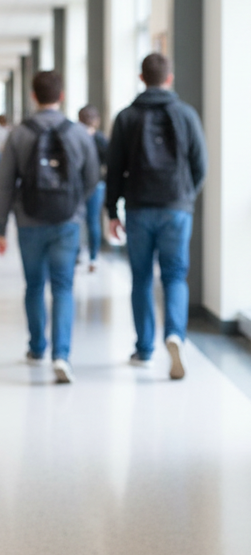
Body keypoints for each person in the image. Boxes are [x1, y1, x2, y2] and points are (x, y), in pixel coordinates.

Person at [0, 71, 99, 384]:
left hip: (29, 220)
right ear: (61, 96)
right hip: (67, 221)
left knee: (35, 285)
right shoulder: (78, 133)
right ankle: (61, 355)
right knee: (63, 286)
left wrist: (1, 226)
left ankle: (37, 347)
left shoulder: (19, 134)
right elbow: (92, 177)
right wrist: (75, 205)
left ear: (33, 96)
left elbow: (4, 184)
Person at [106, 53, 207, 380]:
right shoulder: (186, 114)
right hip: (176, 207)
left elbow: (114, 168)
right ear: (169, 78)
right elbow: (200, 164)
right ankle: (175, 334)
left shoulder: (126, 117)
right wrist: (186, 196)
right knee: (175, 275)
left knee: (141, 277)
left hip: (138, 207)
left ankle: (144, 349)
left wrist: (112, 210)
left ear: (141, 78)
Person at [77, 105, 108, 272]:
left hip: (78, 185)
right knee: (93, 221)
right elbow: (109, 161)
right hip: (96, 185)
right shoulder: (100, 139)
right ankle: (93, 258)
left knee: (76, 220)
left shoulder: (74, 137)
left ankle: (76, 253)